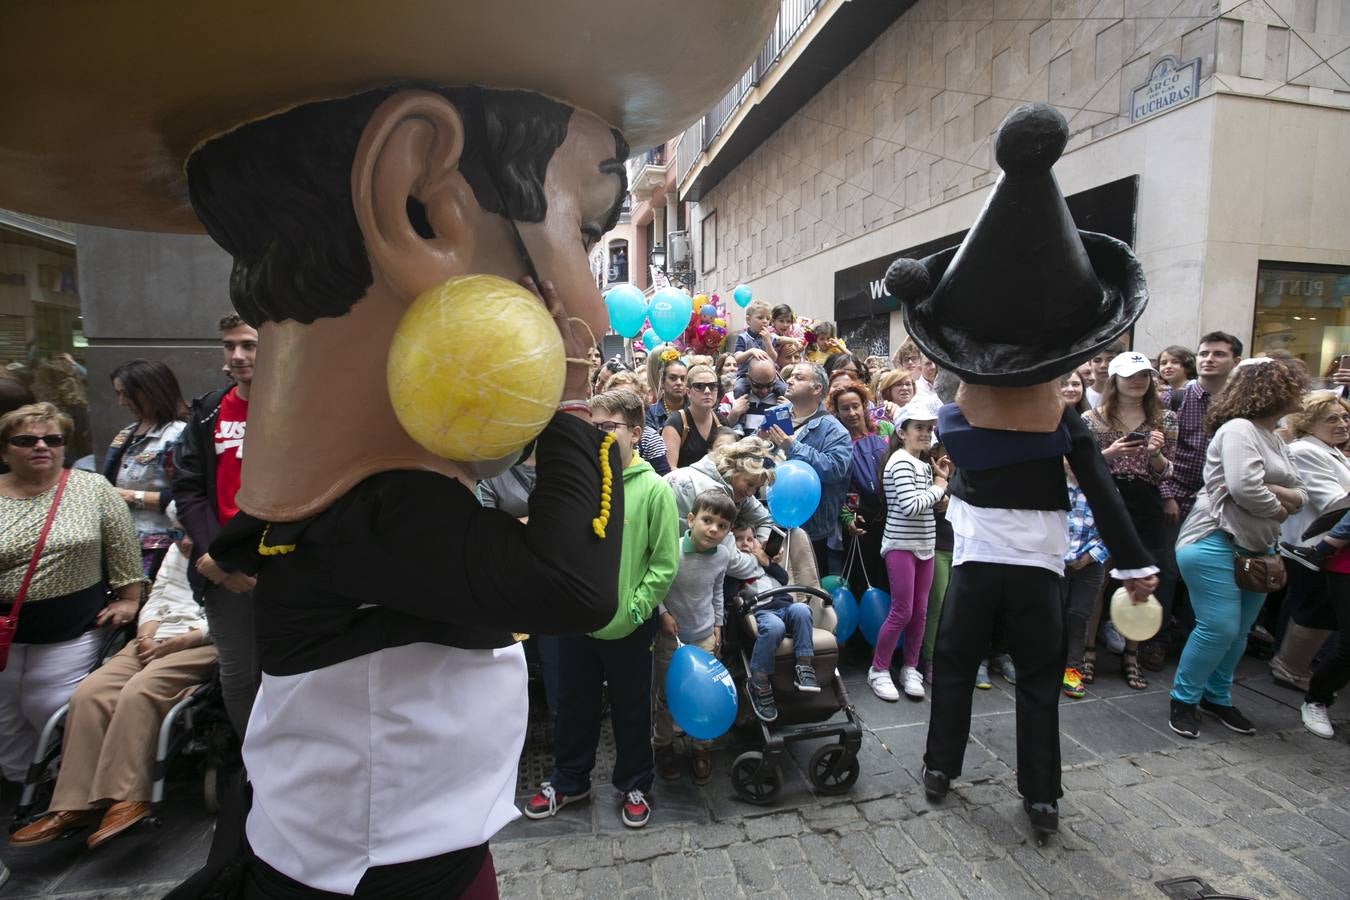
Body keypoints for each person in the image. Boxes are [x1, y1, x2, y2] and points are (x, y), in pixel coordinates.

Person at [884, 103, 1157, 839]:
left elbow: (1081, 479)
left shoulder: (956, 422)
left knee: (961, 664)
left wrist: (1131, 560)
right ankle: (1032, 793)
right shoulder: (1051, 424)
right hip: (1029, 570)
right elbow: (1098, 489)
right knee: (1030, 681)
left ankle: (957, 771)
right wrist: (1133, 562)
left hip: (987, 569)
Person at [523, 389, 678, 828]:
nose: (599, 437)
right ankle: (571, 780)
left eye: (608, 428)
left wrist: (635, 609)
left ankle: (635, 783)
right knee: (573, 705)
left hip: (627, 625)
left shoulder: (653, 490)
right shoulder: (582, 482)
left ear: (635, 432)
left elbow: (664, 563)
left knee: (631, 710)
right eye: (593, 429)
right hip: (575, 621)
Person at [9, 532, 218, 849]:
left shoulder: (228, 552)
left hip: (203, 640)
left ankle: (128, 796)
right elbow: (158, 597)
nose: (186, 538)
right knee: (91, 692)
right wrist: (146, 635)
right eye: (181, 529)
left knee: (141, 689)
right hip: (156, 638)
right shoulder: (178, 551)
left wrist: (186, 640)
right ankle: (75, 802)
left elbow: (239, 611)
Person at [0, 403, 146, 785]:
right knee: (6, 713)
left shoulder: (92, 488)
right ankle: (23, 783)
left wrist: (129, 599)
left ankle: (67, 779)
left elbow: (123, 549)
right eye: (25, 440)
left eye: (53, 439)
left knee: (46, 704)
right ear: (4, 450)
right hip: (5, 632)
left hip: (72, 626)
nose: (41, 446)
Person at [1169, 358, 1308, 740]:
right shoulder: (1239, 430)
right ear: (1273, 390)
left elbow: (1303, 491)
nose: (1303, 392)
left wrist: (1280, 492)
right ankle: (1183, 698)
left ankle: (1216, 696)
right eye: (1296, 385)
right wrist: (1281, 505)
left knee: (1240, 632)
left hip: (1257, 548)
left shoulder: (1274, 437)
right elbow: (1246, 488)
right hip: (1214, 540)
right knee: (1219, 627)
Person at [171, 314, 260, 738]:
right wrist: (214, 557)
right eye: (229, 346)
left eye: (249, 345)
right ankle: (251, 771)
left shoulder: (299, 410)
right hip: (220, 570)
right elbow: (187, 487)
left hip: (283, 565)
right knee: (239, 676)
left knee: (293, 672)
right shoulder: (207, 410)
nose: (238, 355)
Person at [1081, 351, 1178, 690]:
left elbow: (1167, 472)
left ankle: (1132, 654)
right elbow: (1082, 469)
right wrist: (1108, 456)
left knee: (1140, 579)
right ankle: (1088, 651)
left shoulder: (1164, 418)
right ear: (1115, 380)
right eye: (1130, 375)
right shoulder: (1093, 418)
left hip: (1144, 501)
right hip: (1106, 499)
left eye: (1145, 375)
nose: (1138, 381)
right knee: (1098, 580)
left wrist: (1154, 453)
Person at [652, 490, 759, 784]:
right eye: (707, 520)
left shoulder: (722, 555)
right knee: (664, 696)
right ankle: (662, 745)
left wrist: (718, 625)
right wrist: (663, 614)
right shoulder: (671, 550)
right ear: (691, 519)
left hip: (704, 636)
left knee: (705, 694)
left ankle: (702, 747)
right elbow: (654, 584)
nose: (713, 529)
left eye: (722, 526)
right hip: (671, 639)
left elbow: (716, 591)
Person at [1156, 331, 1243, 666]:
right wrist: (1166, 495)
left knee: (1210, 573)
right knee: (1167, 573)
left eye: (1219, 354)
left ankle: (1195, 639)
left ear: (1235, 360)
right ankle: (1157, 638)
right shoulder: (1174, 398)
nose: (1209, 359)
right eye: (1205, 353)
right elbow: (1155, 451)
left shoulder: (1241, 406)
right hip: (1175, 496)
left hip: (1219, 503)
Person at [1268, 393, 1350, 693]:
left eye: (1344, 417)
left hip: (1329, 549)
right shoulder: (1306, 451)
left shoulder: (1330, 451)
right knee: (1312, 612)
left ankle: (1296, 664)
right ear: (1307, 422)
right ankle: (1289, 667)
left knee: (1314, 611)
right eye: (1332, 419)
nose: (1342, 424)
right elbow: (1334, 502)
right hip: (1312, 547)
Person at [870, 400, 949, 702]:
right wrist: (940, 485)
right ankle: (879, 669)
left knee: (920, 611)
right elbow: (910, 505)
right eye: (919, 428)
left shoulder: (920, 463)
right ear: (901, 432)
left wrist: (936, 485)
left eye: (929, 428)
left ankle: (911, 667)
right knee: (902, 610)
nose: (926, 433)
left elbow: (926, 503)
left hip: (924, 546)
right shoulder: (901, 461)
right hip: (901, 546)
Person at [762, 362, 852, 575]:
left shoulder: (834, 430)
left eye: (799, 377)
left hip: (809, 528)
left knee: (807, 587)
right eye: (790, 376)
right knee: (774, 582)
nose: (790, 380)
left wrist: (792, 446)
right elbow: (759, 462)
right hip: (769, 519)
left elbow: (835, 469)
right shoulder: (777, 416)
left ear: (817, 389)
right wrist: (759, 443)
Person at [101, 359, 188, 577]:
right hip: (124, 543)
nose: (121, 402)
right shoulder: (127, 433)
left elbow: (190, 496)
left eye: (127, 395)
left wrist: (129, 496)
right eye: (118, 393)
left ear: (150, 392)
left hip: (162, 547)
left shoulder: (179, 434)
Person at [735, 525, 816, 723]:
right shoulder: (735, 567)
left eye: (750, 539)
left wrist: (765, 560)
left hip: (785, 606)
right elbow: (730, 592)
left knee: (803, 610)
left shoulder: (766, 562)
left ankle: (804, 666)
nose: (746, 544)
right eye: (740, 540)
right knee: (774, 627)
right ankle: (759, 681)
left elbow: (783, 577)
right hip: (762, 611)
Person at [827, 380, 890, 598]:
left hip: (894, 519)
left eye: (856, 405)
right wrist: (847, 518)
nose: (852, 412)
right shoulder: (836, 444)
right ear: (837, 412)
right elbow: (837, 489)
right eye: (845, 408)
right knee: (864, 582)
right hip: (861, 522)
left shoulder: (886, 429)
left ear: (865, 405)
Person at [665, 435, 775, 541]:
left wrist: (763, 544)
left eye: (757, 488)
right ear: (733, 469)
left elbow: (767, 520)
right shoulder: (709, 493)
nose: (751, 493)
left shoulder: (736, 490)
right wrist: (758, 556)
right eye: (750, 484)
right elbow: (719, 552)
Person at [1060, 464, 1107, 699]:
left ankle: (1072, 669)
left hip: (1090, 564)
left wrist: (1089, 557)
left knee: (1079, 617)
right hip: (1056, 561)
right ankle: (1044, 665)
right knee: (1051, 614)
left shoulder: (1102, 488)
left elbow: (1112, 530)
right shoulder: (1054, 485)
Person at [605, 370, 670, 475]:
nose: (620, 403)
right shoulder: (598, 430)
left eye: (628, 397)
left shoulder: (649, 439)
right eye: (615, 397)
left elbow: (663, 478)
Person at [663, 363, 725, 470]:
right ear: (688, 392)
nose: (707, 391)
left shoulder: (722, 422)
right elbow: (670, 468)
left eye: (712, 386)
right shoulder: (676, 422)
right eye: (699, 386)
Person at [721, 357, 787, 437]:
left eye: (770, 385)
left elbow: (786, 437)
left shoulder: (782, 400)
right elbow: (717, 436)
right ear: (748, 378)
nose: (764, 390)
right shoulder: (731, 398)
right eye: (758, 386)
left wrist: (791, 412)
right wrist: (733, 415)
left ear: (775, 377)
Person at [732, 299, 776, 391]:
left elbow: (773, 359)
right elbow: (737, 358)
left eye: (768, 319)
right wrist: (751, 352)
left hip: (767, 378)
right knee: (739, 389)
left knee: (783, 389)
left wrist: (768, 342)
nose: (765, 321)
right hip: (745, 376)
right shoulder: (743, 338)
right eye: (760, 318)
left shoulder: (770, 338)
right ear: (748, 320)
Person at [645, 349, 689, 432]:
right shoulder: (650, 413)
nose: (679, 383)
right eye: (673, 378)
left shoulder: (696, 410)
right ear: (662, 382)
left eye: (683, 379)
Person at [1083, 339, 1125, 410]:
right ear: (1090, 363)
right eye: (1097, 360)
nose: (1103, 365)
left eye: (1110, 360)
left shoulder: (1128, 397)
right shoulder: (1081, 397)